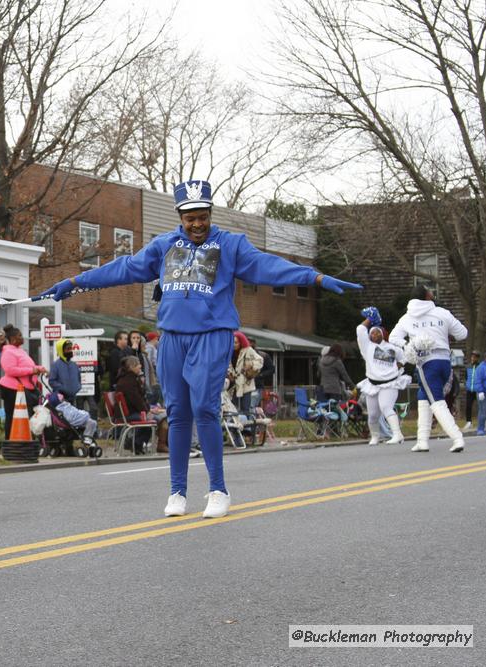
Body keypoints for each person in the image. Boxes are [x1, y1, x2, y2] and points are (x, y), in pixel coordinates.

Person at [38, 178, 361, 519]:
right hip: (172, 337)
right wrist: (75, 283)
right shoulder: (164, 245)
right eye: (189, 217)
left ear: (210, 213)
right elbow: (125, 268)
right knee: (177, 413)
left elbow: (269, 266)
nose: (196, 223)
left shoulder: (231, 245)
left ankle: (218, 489)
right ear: (180, 216)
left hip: (211, 334)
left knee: (205, 408)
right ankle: (177, 491)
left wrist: (315, 278)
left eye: (202, 215)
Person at [389, 284, 468, 453]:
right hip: (445, 362)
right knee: (423, 397)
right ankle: (422, 440)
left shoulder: (407, 317)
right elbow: (463, 334)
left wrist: (410, 346)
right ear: (427, 296)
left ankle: (457, 438)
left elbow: (393, 337)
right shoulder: (442, 313)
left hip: (427, 363)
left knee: (437, 401)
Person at [354, 315, 409, 445]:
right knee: (372, 414)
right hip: (372, 384)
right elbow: (360, 329)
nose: (374, 335)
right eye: (371, 333)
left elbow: (405, 357)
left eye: (376, 332)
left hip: (390, 384)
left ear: (382, 334)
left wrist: (399, 365)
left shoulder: (393, 348)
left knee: (386, 407)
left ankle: (397, 434)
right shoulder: (366, 347)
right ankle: (375, 436)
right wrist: (369, 318)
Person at [0, 325, 46, 437]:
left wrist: (39, 369)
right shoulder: (8, 352)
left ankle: (25, 439)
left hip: (25, 388)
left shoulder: (20, 351)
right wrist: (31, 370)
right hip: (12, 389)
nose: (22, 338)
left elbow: (27, 366)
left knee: (27, 416)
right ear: (13, 339)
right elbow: (10, 370)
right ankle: (10, 441)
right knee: (12, 416)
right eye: (19, 336)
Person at [228, 331, 263, 414]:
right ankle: (235, 426)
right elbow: (227, 366)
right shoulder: (229, 352)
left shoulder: (248, 350)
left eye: (236, 342)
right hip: (234, 384)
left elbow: (260, 360)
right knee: (232, 408)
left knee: (245, 408)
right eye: (232, 342)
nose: (234, 344)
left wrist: (251, 365)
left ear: (241, 342)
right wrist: (229, 374)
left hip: (246, 383)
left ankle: (247, 426)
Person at [48, 338, 82, 403]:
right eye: (68, 349)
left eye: (71, 348)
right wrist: (63, 388)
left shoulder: (74, 365)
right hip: (60, 400)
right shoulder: (55, 365)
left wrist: (77, 387)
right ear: (61, 351)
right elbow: (51, 381)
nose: (70, 351)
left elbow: (79, 379)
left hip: (73, 398)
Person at [474, 351, 486, 436]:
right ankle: (480, 429)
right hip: (485, 393)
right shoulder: (481, 367)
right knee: (483, 412)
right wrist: (480, 391)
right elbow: (478, 380)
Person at [464, 351, 482, 429]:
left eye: (475, 357)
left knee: (481, 406)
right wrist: (467, 385)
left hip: (478, 390)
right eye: (472, 356)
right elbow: (466, 377)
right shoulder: (468, 366)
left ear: (477, 358)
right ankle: (469, 422)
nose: (473, 358)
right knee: (468, 406)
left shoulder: (480, 366)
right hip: (469, 390)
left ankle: (482, 422)